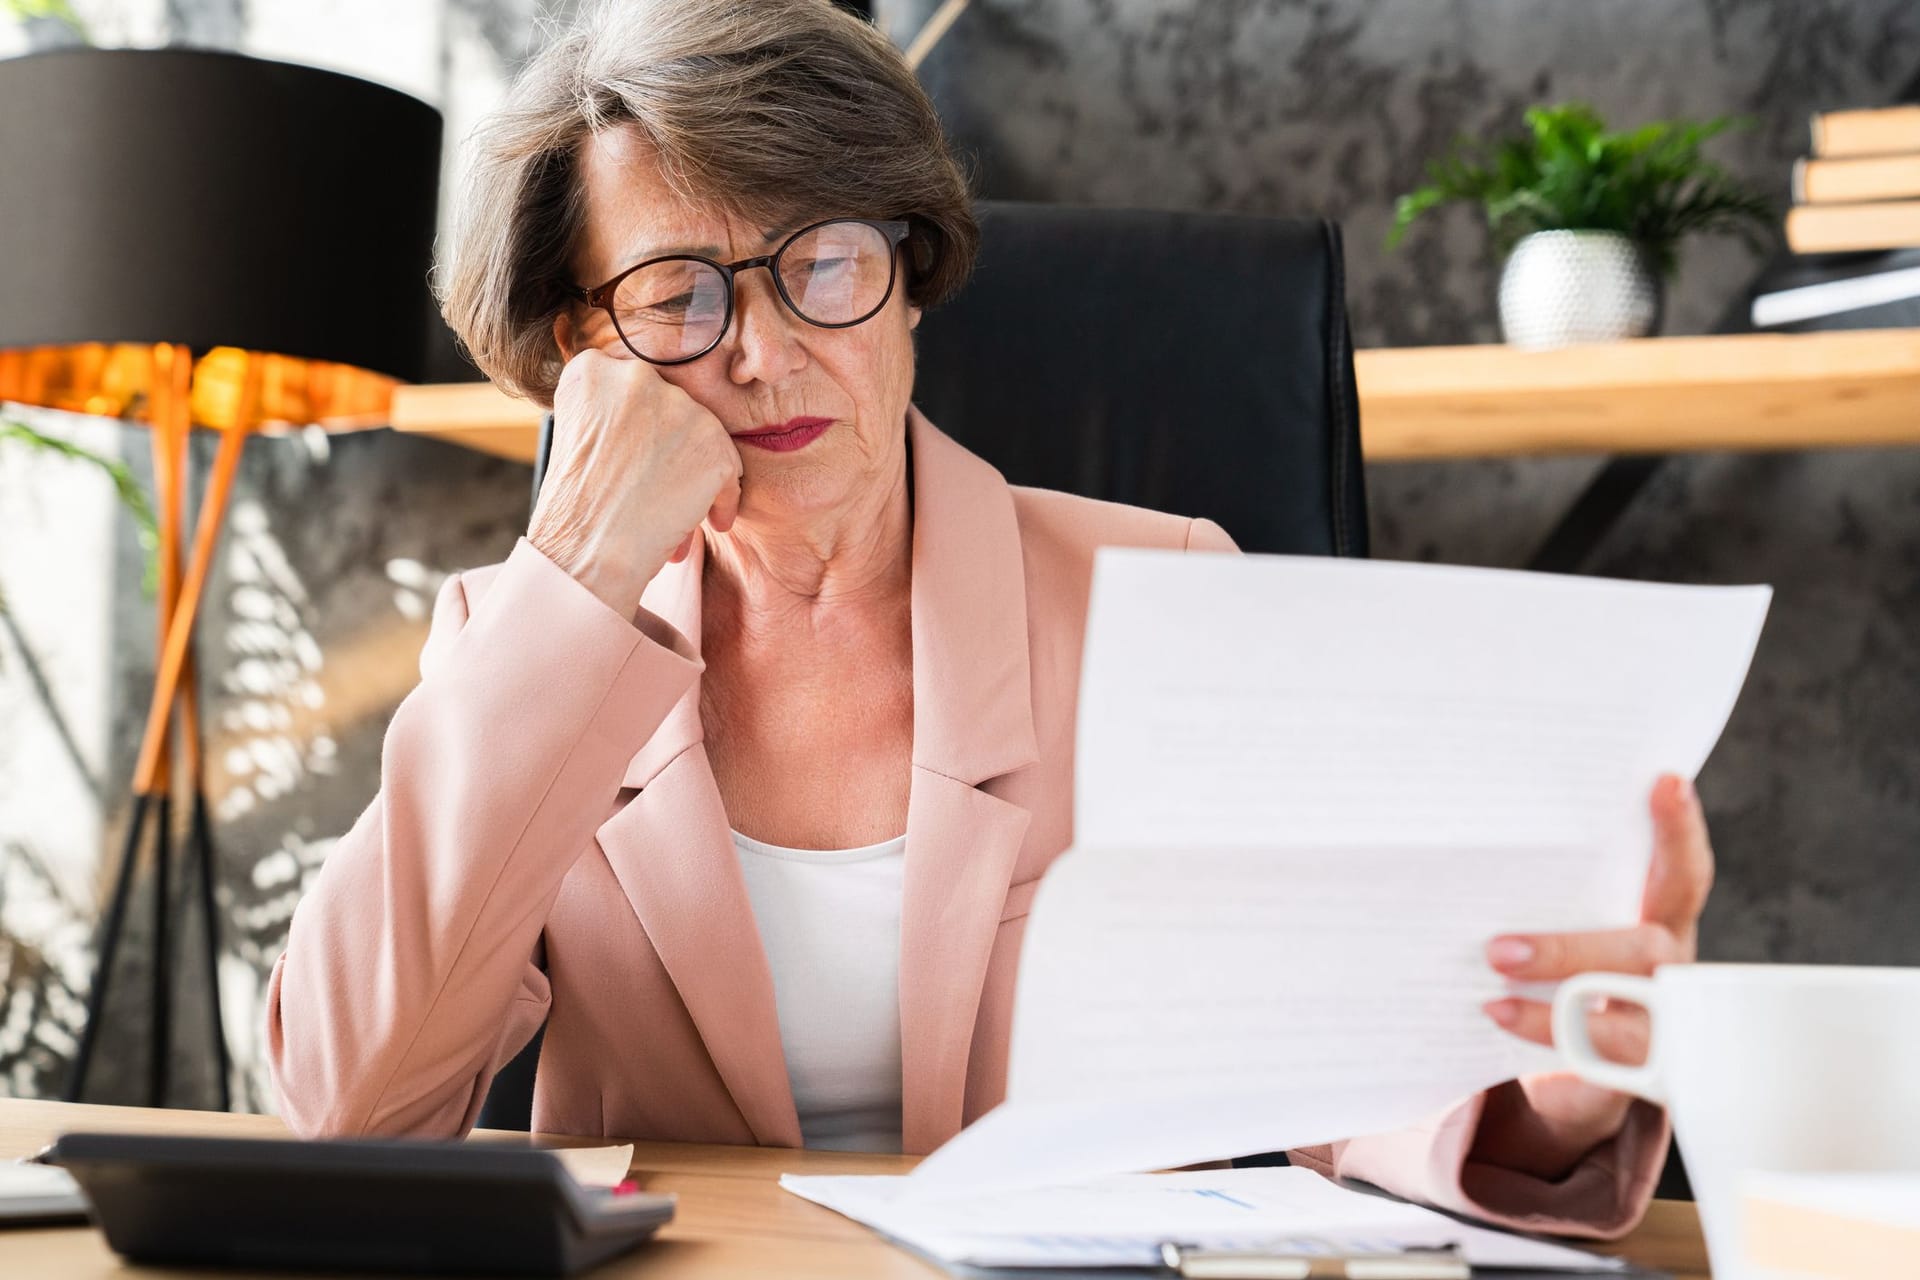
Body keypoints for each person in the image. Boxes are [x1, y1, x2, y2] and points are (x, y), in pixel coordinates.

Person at [267, 0, 1711, 1238]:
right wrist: (576, 566)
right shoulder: (514, 648)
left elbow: (1334, 1076)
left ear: (908, 280)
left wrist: (1546, 1089)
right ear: (592, 350)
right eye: (679, 296)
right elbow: (347, 1112)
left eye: (822, 260)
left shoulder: (1166, 598)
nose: (766, 353)